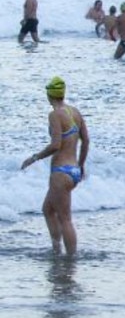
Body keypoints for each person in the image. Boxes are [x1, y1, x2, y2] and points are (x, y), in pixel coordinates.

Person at [20, 76, 89, 256]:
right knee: (48, 209)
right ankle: (56, 250)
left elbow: (55, 145)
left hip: (60, 172)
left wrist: (34, 157)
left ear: (49, 95)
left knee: (65, 218)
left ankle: (71, 258)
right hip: (73, 170)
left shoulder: (55, 114)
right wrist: (81, 165)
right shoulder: (75, 112)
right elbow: (86, 140)